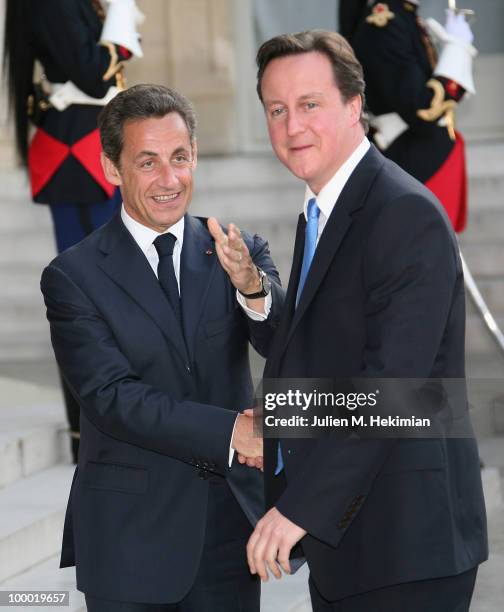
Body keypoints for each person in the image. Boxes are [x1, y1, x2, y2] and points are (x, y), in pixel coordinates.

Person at [211, 30, 488, 611]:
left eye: (309, 104)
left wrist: (298, 508)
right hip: (355, 546)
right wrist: (256, 292)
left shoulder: (403, 212)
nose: (292, 127)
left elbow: (395, 391)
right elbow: (323, 343)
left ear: (355, 105)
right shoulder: (325, 208)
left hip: (406, 549)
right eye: (277, 110)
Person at [40, 84, 284, 611]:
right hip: (128, 542)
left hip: (227, 535)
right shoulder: (73, 277)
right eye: (147, 162)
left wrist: (252, 289)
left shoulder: (235, 251)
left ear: (194, 155)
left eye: (179, 158)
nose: (169, 180)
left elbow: (287, 345)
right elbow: (111, 397)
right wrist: (232, 431)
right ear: (111, 168)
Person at [3, 0, 143, 462]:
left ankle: (114, 419)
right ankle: (91, 427)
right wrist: (120, 21)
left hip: (91, 149)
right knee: (89, 298)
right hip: (76, 158)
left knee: (116, 293)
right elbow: (92, 72)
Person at [344, 0, 476, 233]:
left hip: (420, 162)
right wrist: (457, 51)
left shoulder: (403, 16)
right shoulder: (384, 24)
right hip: (412, 165)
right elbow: (421, 109)